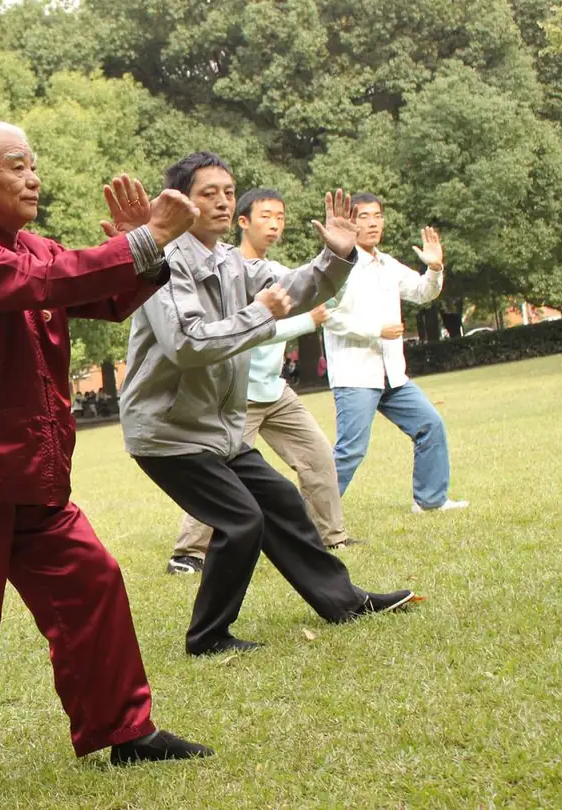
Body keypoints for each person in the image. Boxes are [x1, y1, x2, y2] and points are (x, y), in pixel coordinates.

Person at [0, 121, 211, 799]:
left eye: (35, 167)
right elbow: (48, 280)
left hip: (27, 468)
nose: (33, 178)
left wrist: (139, 247)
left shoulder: (29, 245)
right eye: (17, 167)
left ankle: (125, 731)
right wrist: (143, 239)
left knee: (92, 581)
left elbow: (106, 295)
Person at [121, 153, 419, 658]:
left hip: (219, 429)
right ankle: (209, 636)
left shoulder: (231, 262)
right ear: (179, 204)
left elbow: (294, 290)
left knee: (280, 500)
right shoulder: (164, 265)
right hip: (168, 431)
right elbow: (187, 343)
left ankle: (342, 601)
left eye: (228, 191)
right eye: (207, 192)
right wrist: (260, 315)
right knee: (242, 521)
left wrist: (336, 257)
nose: (220, 200)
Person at [166, 188, 355, 576]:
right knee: (219, 473)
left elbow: (323, 292)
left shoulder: (278, 272)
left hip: (274, 389)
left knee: (317, 456)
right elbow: (249, 330)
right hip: (238, 395)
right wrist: (307, 321)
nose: (275, 224)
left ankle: (332, 535)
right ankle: (187, 553)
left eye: (281, 217)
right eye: (266, 216)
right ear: (243, 222)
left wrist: (345, 256)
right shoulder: (222, 272)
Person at [324, 194, 468, 513]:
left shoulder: (387, 264)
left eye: (377, 216)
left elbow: (422, 292)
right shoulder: (338, 266)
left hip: (392, 375)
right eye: (364, 217)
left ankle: (430, 500)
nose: (373, 222)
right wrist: (376, 330)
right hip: (356, 375)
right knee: (350, 451)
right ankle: (307, 519)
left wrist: (434, 268)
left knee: (430, 424)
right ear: (349, 222)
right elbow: (328, 317)